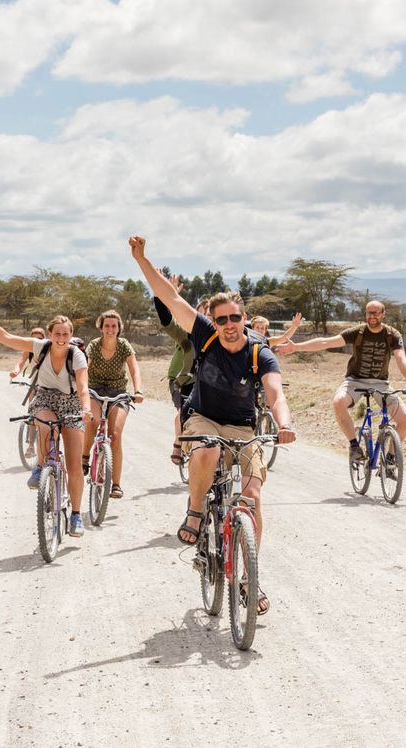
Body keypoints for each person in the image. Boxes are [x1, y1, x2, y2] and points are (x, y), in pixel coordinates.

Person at [131, 236, 296, 616]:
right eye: (221, 319)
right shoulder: (204, 334)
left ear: (244, 318)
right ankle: (195, 509)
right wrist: (142, 259)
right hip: (203, 417)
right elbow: (170, 297)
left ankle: (248, 577)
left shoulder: (259, 352)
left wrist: (284, 423)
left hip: (242, 426)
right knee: (207, 450)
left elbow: (275, 394)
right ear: (214, 322)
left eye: (234, 318)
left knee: (252, 497)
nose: (228, 325)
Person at [0, 296, 93, 537]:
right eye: (57, 333)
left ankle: (76, 515)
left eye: (66, 334)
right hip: (45, 398)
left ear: (71, 335)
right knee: (45, 424)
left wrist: (86, 408)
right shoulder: (40, 347)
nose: (61, 338)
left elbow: (84, 387)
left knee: (75, 466)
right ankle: (41, 467)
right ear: (50, 334)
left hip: (72, 402)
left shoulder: (76, 355)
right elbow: (6, 338)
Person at [277, 301, 406, 464]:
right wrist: (296, 347)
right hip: (355, 381)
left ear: (383, 314)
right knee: (338, 402)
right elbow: (326, 342)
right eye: (369, 312)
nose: (372, 316)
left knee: (405, 420)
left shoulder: (392, 334)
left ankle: (390, 459)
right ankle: (354, 446)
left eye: (376, 313)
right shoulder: (358, 332)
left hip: (380, 383)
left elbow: (401, 358)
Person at [84, 309, 145, 499]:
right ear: (101, 328)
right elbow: (84, 368)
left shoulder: (124, 345)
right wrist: (82, 389)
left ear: (119, 328)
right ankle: (85, 455)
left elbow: (134, 369)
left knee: (115, 435)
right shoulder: (94, 345)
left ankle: (116, 484)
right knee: (93, 421)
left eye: (114, 326)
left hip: (118, 393)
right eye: (107, 326)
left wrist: (138, 390)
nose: (110, 329)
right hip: (94, 390)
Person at [155, 274, 206, 468]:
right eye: (200, 315)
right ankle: (178, 443)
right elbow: (167, 320)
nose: (205, 319)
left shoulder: (223, 338)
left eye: (208, 316)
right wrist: (162, 295)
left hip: (209, 384)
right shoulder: (186, 335)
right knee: (183, 410)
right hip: (184, 382)